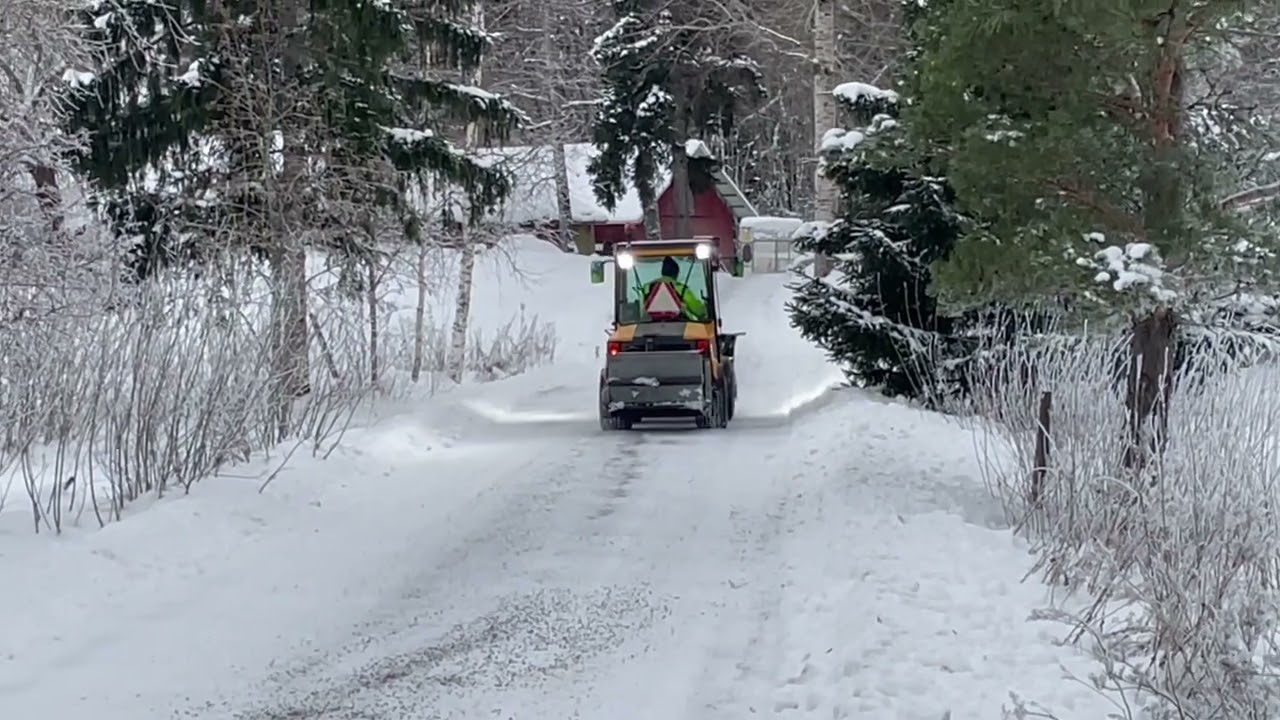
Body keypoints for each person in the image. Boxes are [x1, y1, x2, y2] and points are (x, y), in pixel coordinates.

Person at [642, 256, 708, 321]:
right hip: (681, 325)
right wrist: (705, 311)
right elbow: (697, 309)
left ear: (662, 272)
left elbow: (640, 310)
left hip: (648, 325)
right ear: (676, 274)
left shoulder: (647, 287)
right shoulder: (680, 288)